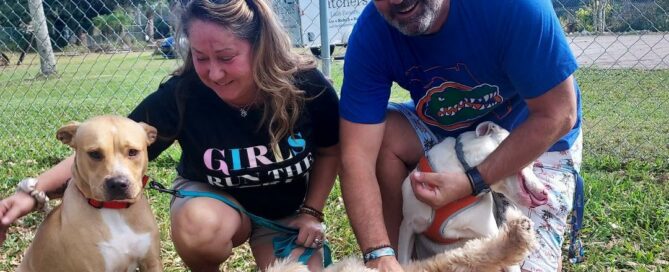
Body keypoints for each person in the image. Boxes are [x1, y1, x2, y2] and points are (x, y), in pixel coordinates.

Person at [0, 0, 340, 271]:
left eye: (226, 56)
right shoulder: (184, 94)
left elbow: (330, 150)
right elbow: (105, 145)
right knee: (199, 229)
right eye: (200, 56)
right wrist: (33, 191)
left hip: (282, 214)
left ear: (261, 46)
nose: (214, 72)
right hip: (217, 206)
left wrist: (312, 211)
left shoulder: (305, 85)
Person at [338, 0, 582, 271]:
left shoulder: (513, 6)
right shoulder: (372, 32)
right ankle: (396, 257)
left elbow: (558, 114)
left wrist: (473, 180)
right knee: (380, 137)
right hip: (446, 128)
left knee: (525, 255)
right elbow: (356, 155)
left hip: (531, 134)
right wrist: (377, 253)